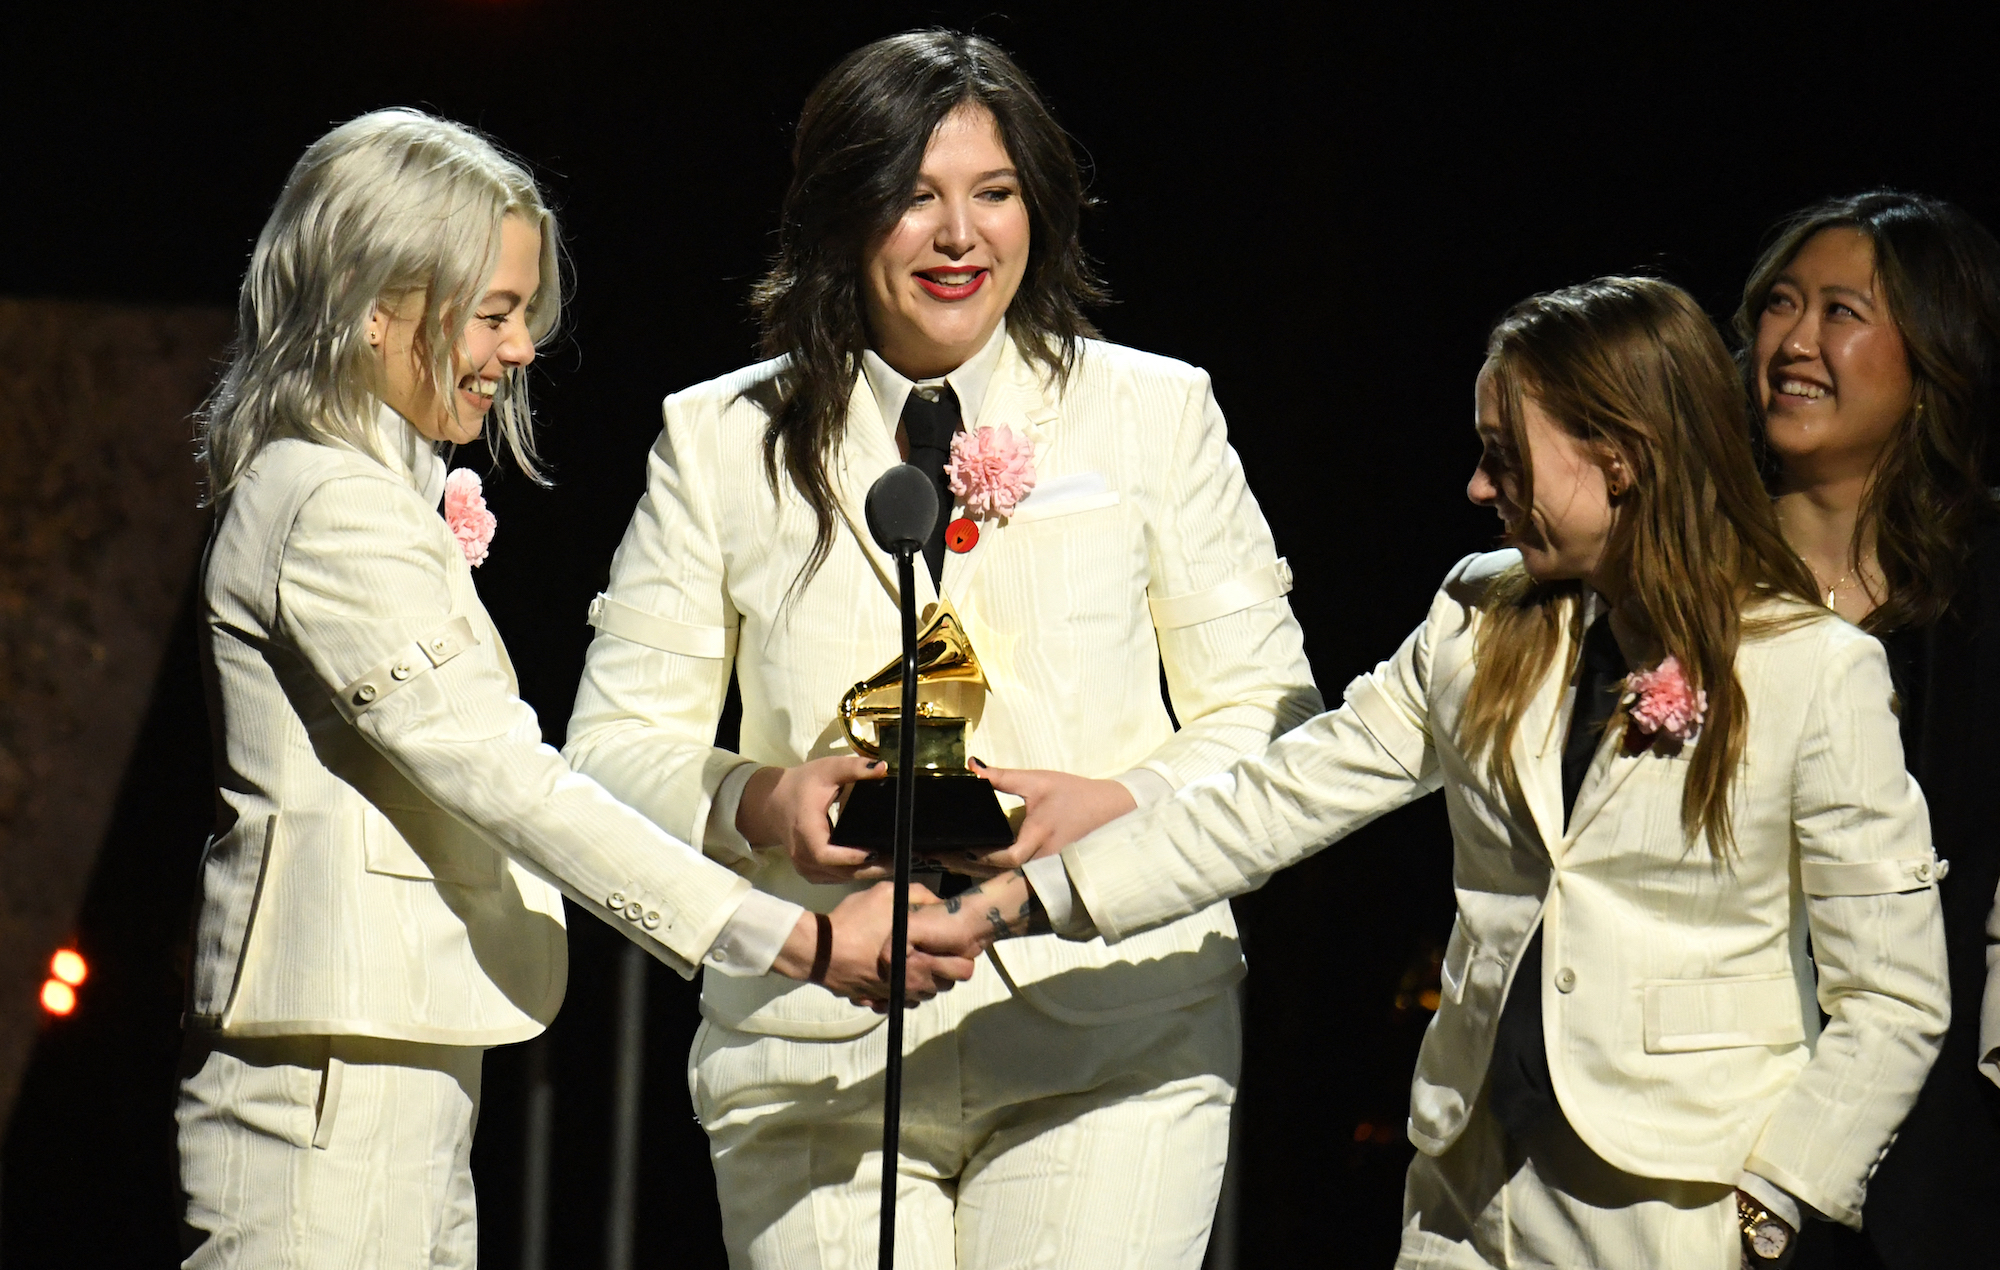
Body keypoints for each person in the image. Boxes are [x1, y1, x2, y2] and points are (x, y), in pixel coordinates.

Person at [911, 277, 1952, 1268]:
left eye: (1504, 456)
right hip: (1468, 1186)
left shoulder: (1813, 672)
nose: (1475, 486)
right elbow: (1276, 799)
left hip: (1671, 1200)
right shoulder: (1478, 614)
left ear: (1621, 458)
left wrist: (1773, 1200)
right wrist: (1018, 903)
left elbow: (1894, 995)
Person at [560, 30, 1319, 1269]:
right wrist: (763, 800)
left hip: (1111, 1024)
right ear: (840, 213)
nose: (958, 236)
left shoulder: (1153, 411)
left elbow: (1275, 719)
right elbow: (605, 754)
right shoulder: (717, 439)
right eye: (913, 197)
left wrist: (1122, 804)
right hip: (813, 1041)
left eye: (994, 193)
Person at [178, 108, 963, 1268]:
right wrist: (788, 938)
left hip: (385, 1054)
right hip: (332, 1070)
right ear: (375, 305)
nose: (520, 347)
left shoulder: (357, 489)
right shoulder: (328, 504)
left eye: (522, 314)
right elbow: (506, 778)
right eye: (494, 313)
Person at [1736, 190, 2000, 1269]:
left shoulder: (1983, 591)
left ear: (1934, 362)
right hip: (1708, 1110)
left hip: (1939, 1140)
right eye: (1778, 307)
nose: (1793, 342)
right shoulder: (1684, 577)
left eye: (1839, 312)